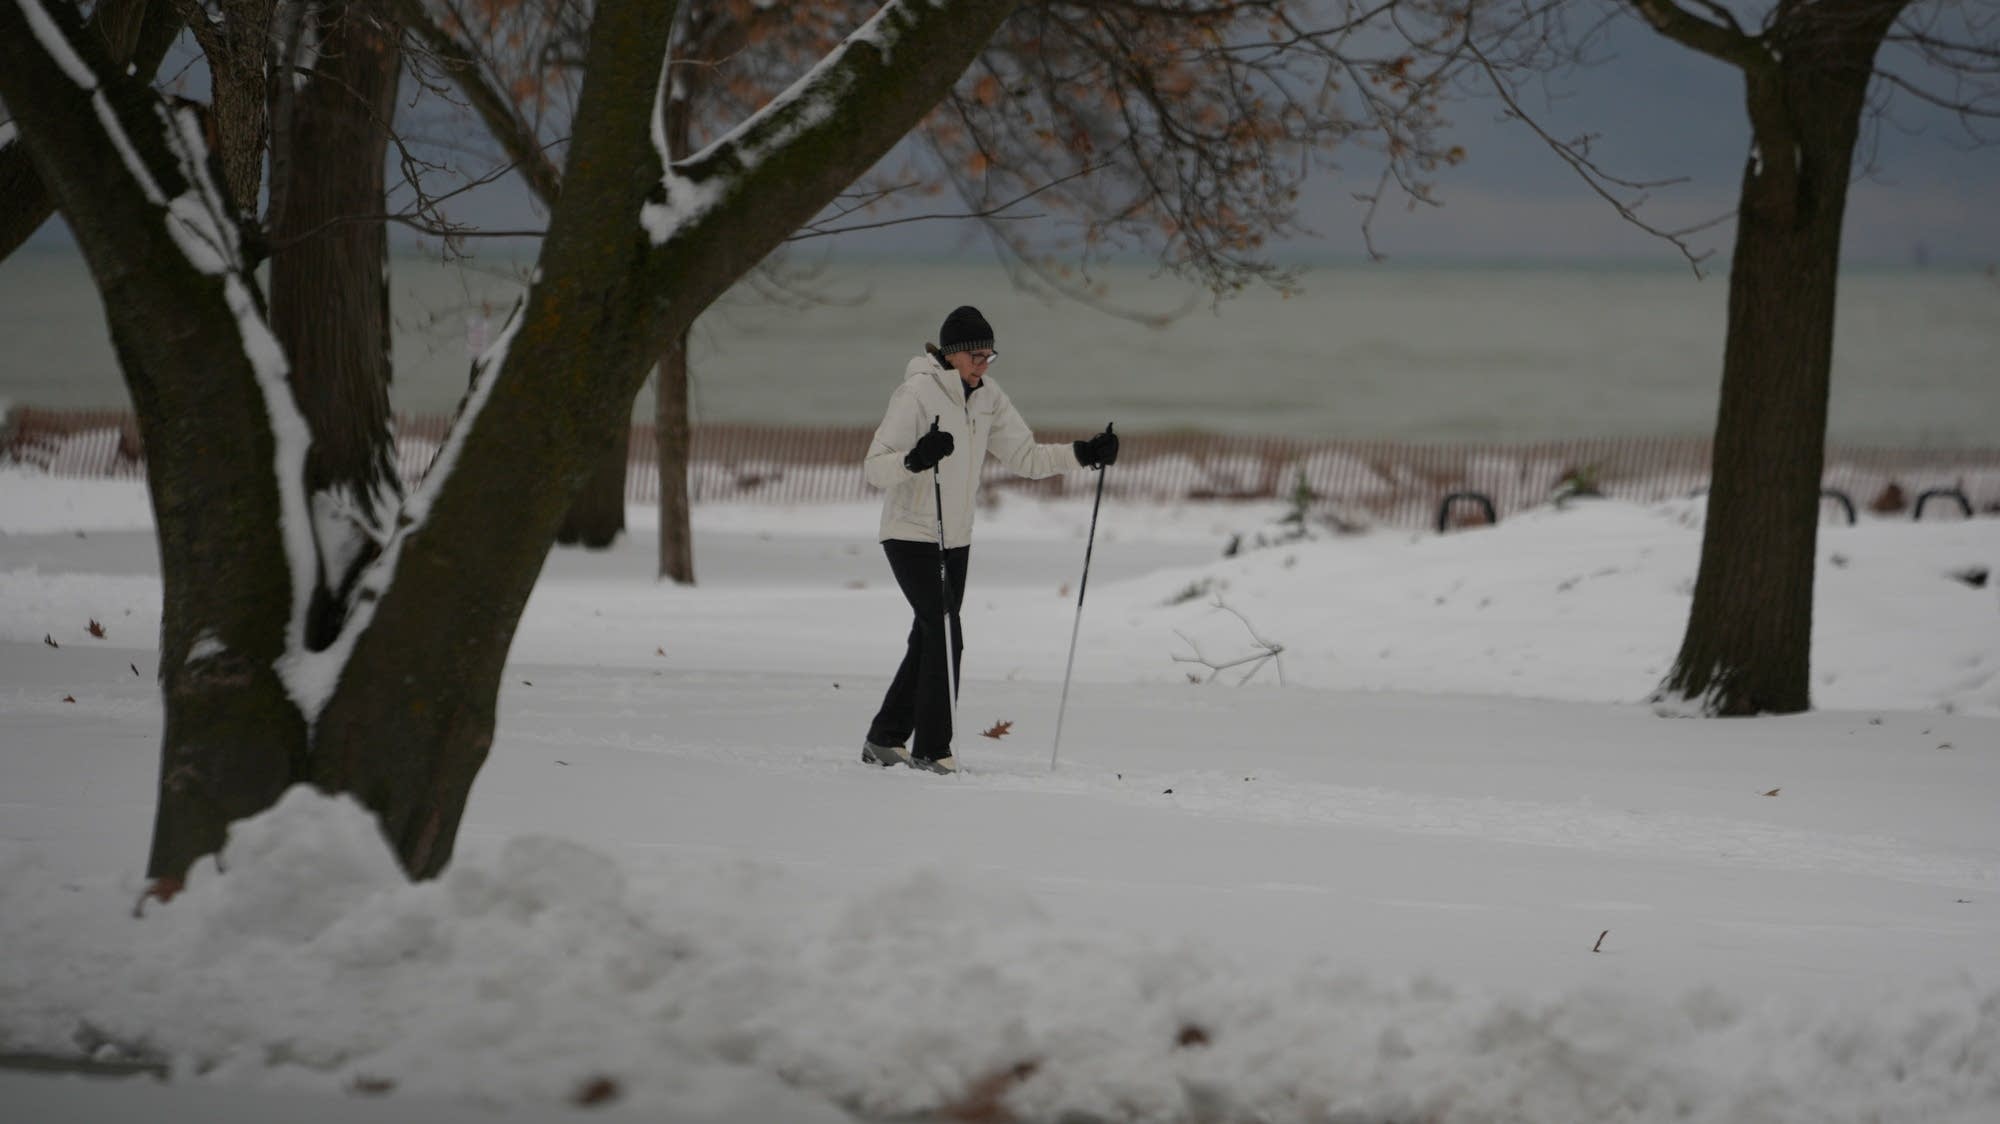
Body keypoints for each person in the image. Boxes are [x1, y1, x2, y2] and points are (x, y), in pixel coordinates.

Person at [860, 306, 1118, 774]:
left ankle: (884, 738)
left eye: (989, 355)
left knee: (928, 635)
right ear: (952, 354)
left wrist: (1084, 453)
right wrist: (916, 459)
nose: (983, 364)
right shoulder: (916, 393)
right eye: (976, 355)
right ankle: (932, 751)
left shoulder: (988, 397)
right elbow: (876, 467)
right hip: (911, 532)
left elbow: (1026, 456)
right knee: (944, 632)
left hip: (955, 538)